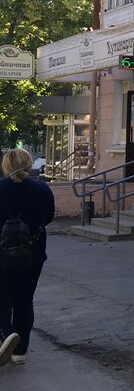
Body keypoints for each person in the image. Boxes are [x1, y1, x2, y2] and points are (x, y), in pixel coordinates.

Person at [0, 148, 54, 367]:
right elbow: (48, 217)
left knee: (2, 298)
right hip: (33, 253)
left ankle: (7, 333)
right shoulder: (42, 189)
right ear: (29, 164)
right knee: (24, 300)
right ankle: (20, 353)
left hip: (1, 255)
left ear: (6, 166)